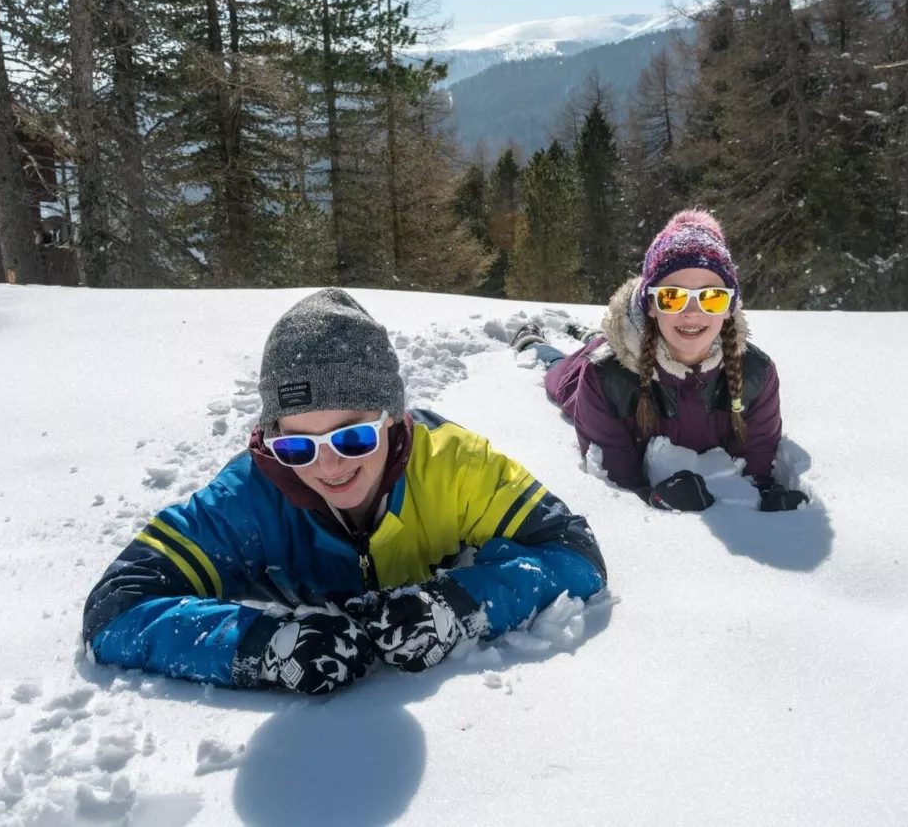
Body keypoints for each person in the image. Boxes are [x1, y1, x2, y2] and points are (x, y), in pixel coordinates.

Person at [83, 289, 606, 696]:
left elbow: (574, 553)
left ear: (394, 420)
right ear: (270, 440)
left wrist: (462, 605)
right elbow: (115, 608)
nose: (329, 464)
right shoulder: (250, 497)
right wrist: (262, 647)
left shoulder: (453, 464)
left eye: (352, 436)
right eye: (296, 446)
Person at [514, 210, 805, 514]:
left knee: (595, 341)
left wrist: (769, 497)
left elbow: (758, 465)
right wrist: (654, 498)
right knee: (559, 370)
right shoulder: (604, 376)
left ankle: (587, 333)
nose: (692, 311)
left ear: (730, 306)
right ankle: (534, 343)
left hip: (647, 341)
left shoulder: (757, 374)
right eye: (672, 297)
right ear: (651, 304)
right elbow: (615, 480)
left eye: (712, 297)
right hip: (599, 367)